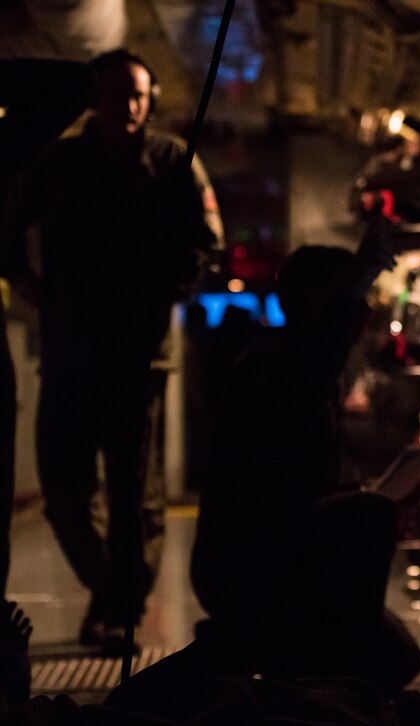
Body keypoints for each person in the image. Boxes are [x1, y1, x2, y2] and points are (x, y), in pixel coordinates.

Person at [0, 49, 223, 651]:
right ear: (93, 97)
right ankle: (111, 592)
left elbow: (208, 244)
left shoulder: (174, 161)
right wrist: (27, 284)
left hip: (137, 353)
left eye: (140, 96)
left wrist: (166, 294)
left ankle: (121, 607)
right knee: (64, 489)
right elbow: (7, 223)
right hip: (69, 347)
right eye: (118, 93)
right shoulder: (58, 160)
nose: (130, 107)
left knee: (134, 495)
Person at [184, 220, 420, 697]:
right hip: (249, 564)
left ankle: (293, 655)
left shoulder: (311, 374)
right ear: (315, 301)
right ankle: (299, 672)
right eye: (345, 297)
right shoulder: (272, 368)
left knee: (398, 660)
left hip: (288, 548)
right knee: (369, 520)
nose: (361, 314)